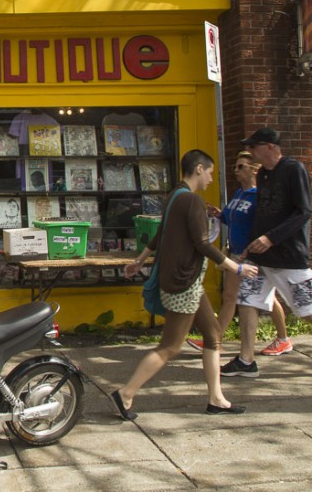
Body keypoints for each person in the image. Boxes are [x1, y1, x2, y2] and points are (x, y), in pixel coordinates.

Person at [111, 149, 257, 420]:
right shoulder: (191, 201)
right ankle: (126, 393)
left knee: (213, 335)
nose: (212, 178)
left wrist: (140, 260)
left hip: (187, 281)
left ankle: (216, 398)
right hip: (183, 283)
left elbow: (160, 234)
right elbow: (202, 244)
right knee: (170, 346)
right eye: (211, 172)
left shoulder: (175, 196)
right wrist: (236, 267)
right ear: (199, 169)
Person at [222, 128, 312, 379]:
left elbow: (304, 211)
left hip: (289, 256)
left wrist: (270, 238)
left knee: (306, 309)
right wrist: (251, 245)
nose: (251, 152)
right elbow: (263, 214)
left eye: (254, 147)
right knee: (247, 302)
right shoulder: (264, 175)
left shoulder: (293, 170)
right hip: (261, 257)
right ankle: (246, 360)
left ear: (269, 147)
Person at [187, 152, 292, 356]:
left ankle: (283, 339)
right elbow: (231, 218)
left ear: (255, 170)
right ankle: (214, 339)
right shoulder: (239, 194)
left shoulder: (259, 196)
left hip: (253, 255)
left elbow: (265, 224)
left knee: (268, 299)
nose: (235, 171)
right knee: (230, 297)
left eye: (240, 167)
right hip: (236, 254)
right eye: (235, 167)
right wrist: (219, 214)